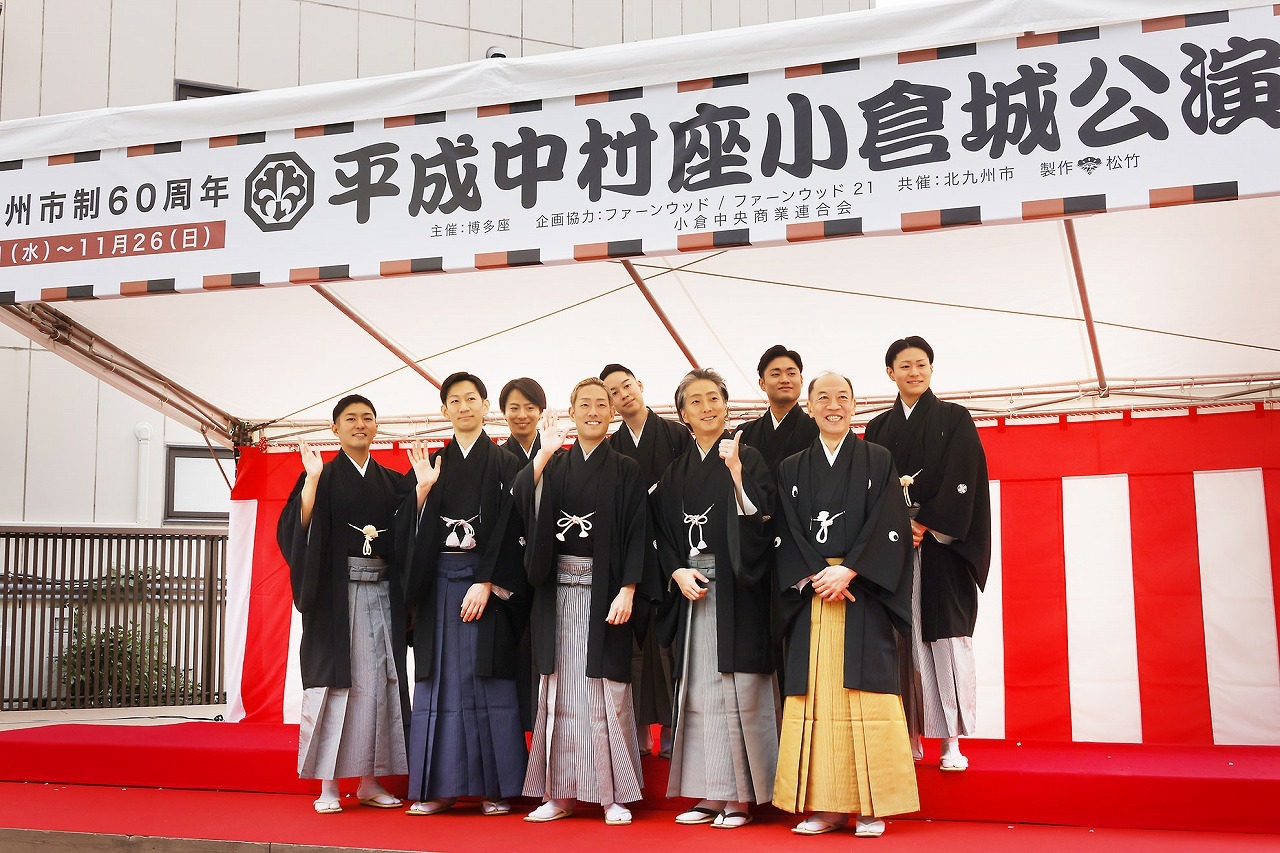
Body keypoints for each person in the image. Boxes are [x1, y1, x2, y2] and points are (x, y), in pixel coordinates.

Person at [772, 373, 919, 838]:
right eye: (823, 398)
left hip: (862, 594)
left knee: (867, 697)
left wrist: (850, 569)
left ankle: (872, 806)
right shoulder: (793, 466)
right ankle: (826, 805)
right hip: (814, 591)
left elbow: (888, 524)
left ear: (855, 404)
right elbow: (788, 532)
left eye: (843, 397)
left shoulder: (878, 459)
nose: (834, 405)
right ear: (809, 407)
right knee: (816, 697)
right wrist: (819, 573)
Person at [514, 378, 655, 826]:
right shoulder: (555, 465)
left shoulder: (627, 469)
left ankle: (611, 794)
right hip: (557, 594)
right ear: (571, 411)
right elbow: (518, 503)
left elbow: (638, 533)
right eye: (584, 404)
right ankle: (559, 795)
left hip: (605, 594)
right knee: (557, 694)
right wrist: (542, 454)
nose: (594, 411)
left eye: (601, 403)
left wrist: (628, 589)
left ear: (612, 411)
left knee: (604, 695)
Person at [651, 369, 779, 829]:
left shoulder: (750, 455)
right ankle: (708, 792)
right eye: (696, 401)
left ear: (726, 405)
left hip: (736, 592)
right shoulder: (674, 471)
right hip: (693, 592)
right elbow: (661, 531)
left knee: (737, 693)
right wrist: (676, 570)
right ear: (682, 414)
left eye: (714, 399)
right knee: (698, 694)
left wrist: (739, 476)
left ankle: (740, 797)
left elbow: (763, 519)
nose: (707, 407)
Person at [401, 373, 528, 816]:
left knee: (487, 678)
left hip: (486, 583)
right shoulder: (434, 462)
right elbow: (407, 533)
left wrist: (488, 581)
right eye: (454, 400)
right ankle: (439, 787)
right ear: (444, 410)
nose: (463, 407)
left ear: (485, 404)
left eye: (471, 399)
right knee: (439, 684)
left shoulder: (505, 463)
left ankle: (495, 788)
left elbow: (516, 527)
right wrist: (420, 491)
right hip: (439, 583)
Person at [276, 395, 410, 814]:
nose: (360, 424)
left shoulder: (390, 480)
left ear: (376, 427)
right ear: (334, 429)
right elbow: (295, 529)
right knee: (336, 688)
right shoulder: (322, 476)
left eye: (368, 418)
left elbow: (411, 529)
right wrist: (311, 481)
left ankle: (370, 781)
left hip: (382, 593)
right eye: (350, 419)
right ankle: (328, 785)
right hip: (337, 597)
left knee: (379, 689)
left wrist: (422, 488)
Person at [864, 337, 991, 772]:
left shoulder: (954, 418)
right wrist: (897, 526)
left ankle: (951, 741)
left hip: (941, 548)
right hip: (894, 549)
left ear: (932, 369)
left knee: (946, 640)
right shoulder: (879, 428)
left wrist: (927, 523)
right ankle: (908, 735)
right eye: (904, 366)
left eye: (921, 365)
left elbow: (965, 480)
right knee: (898, 642)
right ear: (890, 373)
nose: (913, 372)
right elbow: (872, 489)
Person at [600, 363, 692, 757]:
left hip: (674, 547)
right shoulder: (611, 446)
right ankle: (636, 730)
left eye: (626, 386)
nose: (623, 395)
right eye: (613, 393)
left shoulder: (675, 434)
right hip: (633, 553)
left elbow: (692, 488)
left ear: (640, 385)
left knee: (672, 641)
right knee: (633, 642)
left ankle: (674, 729)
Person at [733, 345, 819, 474]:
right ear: (762, 383)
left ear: (801, 380)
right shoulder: (744, 433)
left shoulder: (818, 430)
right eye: (775, 374)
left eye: (791, 373)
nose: (785, 380)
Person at [500, 377, 546, 467]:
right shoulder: (495, 458)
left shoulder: (559, 457)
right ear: (504, 413)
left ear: (540, 412)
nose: (522, 415)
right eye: (514, 408)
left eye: (530, 408)